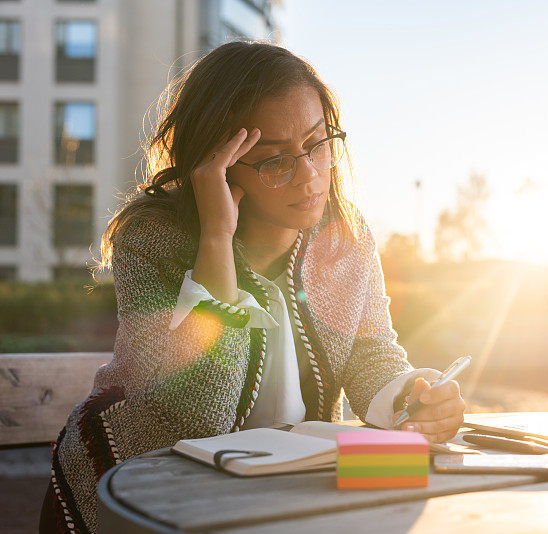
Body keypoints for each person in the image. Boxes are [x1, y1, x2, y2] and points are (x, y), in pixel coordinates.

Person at [39, 41, 466, 533]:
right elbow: (199, 420)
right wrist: (216, 238)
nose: (309, 175)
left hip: (280, 486)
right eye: (274, 160)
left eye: (318, 143)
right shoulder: (153, 238)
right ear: (215, 165)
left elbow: (370, 353)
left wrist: (415, 399)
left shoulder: (344, 235)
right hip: (143, 482)